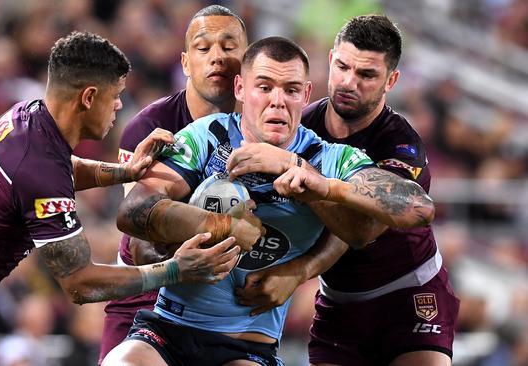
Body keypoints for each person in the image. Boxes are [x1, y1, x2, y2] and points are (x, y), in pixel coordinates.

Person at [0, 31, 243, 366]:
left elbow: (63, 167)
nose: (119, 107)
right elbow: (81, 283)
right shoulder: (37, 168)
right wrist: (176, 270)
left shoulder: (25, 117)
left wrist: (125, 172)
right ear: (89, 97)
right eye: (115, 97)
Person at [105, 36, 435, 366]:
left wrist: (316, 183)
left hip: (247, 347)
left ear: (305, 95)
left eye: (290, 90)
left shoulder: (329, 159)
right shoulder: (206, 136)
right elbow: (132, 211)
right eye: (264, 87)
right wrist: (218, 229)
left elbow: (417, 208)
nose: (277, 101)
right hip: (167, 330)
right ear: (240, 89)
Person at [231, 15, 460, 366]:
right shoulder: (301, 126)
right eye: (342, 66)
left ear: (391, 80)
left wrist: (313, 182)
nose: (349, 82)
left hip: (408, 293)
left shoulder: (399, 145)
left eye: (367, 75)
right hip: (338, 300)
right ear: (330, 59)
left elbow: (360, 230)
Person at [99, 5, 249, 363]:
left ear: (249, 61)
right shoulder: (148, 128)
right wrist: (181, 261)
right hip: (146, 293)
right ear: (184, 63)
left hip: (225, 307)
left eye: (229, 47)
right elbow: (139, 235)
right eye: (203, 47)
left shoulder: (266, 127)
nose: (217, 57)